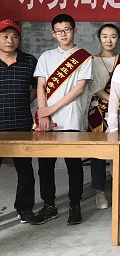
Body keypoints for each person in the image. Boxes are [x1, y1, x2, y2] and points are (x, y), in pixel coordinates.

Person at [33, 13, 93, 225]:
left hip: (71, 118)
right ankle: (49, 206)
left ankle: (75, 205)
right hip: (46, 119)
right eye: (59, 31)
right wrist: (43, 112)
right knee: (45, 166)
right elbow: (41, 85)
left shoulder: (84, 57)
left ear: (74, 30)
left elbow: (79, 89)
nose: (63, 34)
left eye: (67, 29)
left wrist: (51, 109)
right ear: (53, 34)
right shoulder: (46, 56)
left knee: (73, 165)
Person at [0, 19, 39, 224]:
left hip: (21, 122)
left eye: (14, 36)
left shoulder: (29, 60)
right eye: (5, 36)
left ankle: (24, 209)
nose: (10, 40)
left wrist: (25, 100)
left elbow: (37, 86)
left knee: (25, 170)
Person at [86, 23, 120, 210]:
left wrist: (118, 104)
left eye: (113, 36)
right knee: (99, 153)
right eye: (105, 36)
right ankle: (99, 191)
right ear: (99, 38)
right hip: (99, 111)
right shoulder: (91, 61)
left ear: (118, 38)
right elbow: (94, 88)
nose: (109, 40)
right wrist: (114, 101)